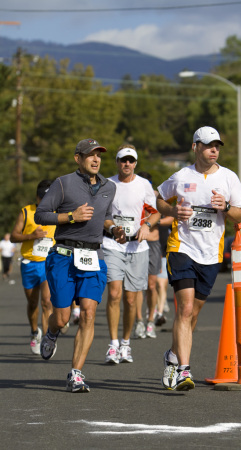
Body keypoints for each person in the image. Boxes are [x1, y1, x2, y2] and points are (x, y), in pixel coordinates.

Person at [156, 126, 241, 391]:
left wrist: (227, 208)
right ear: (195, 146)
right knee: (184, 310)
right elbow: (159, 199)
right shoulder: (181, 175)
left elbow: (240, 215)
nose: (214, 150)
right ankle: (184, 371)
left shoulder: (229, 178)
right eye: (209, 145)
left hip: (210, 254)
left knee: (193, 314)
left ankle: (173, 355)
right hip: (182, 248)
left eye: (217, 146)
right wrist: (174, 211)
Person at [34, 138, 125, 393]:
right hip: (64, 254)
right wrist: (70, 217)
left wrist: (115, 228)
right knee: (62, 318)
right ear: (78, 158)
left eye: (99, 155)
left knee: (88, 312)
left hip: (94, 257)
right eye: (90, 155)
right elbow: (41, 214)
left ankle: (76, 374)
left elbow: (105, 217)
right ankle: (52, 332)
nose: (96, 160)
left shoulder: (109, 187)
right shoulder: (63, 183)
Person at [103, 145, 160, 364]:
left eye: (130, 160)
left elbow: (154, 213)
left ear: (135, 163)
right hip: (113, 245)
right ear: (117, 162)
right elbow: (104, 215)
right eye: (122, 160)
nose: (126, 164)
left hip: (137, 247)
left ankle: (126, 343)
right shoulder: (108, 184)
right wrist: (113, 229)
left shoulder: (144, 185)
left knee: (130, 298)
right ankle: (113, 344)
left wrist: (147, 227)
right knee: (115, 293)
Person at [10, 180, 55, 355]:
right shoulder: (26, 212)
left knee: (47, 301)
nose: (44, 201)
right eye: (42, 198)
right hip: (29, 264)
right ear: (37, 196)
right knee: (32, 303)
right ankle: (35, 331)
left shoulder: (57, 213)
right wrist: (31, 236)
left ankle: (46, 339)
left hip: (48, 262)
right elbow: (14, 236)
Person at [133, 171, 162, 340]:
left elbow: (164, 217)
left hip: (152, 244)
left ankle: (150, 320)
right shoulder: (133, 194)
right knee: (137, 286)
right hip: (136, 242)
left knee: (152, 285)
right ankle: (139, 320)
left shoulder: (156, 198)